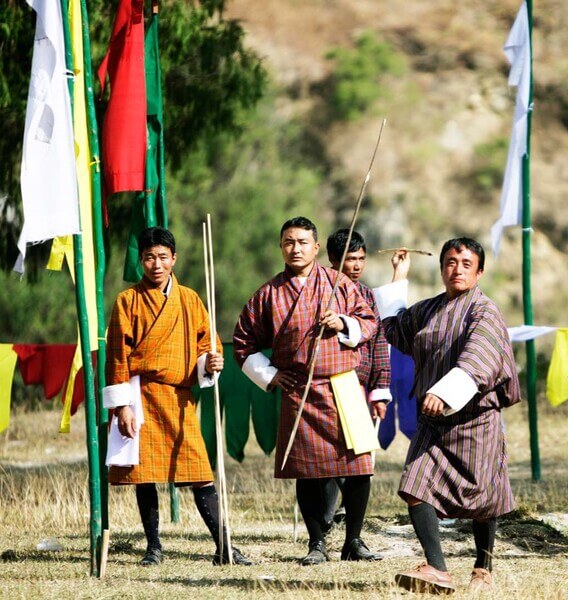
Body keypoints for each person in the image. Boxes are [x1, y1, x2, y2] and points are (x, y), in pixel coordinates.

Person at [232, 217, 381, 565]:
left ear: (316, 247)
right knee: (308, 470)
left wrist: (343, 322)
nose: (295, 248)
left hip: (344, 382)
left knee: (360, 467)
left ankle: (354, 541)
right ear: (281, 247)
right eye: (288, 242)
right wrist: (270, 375)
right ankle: (317, 542)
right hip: (300, 388)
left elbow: (371, 321)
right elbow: (243, 342)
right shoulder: (268, 294)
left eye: (302, 242)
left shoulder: (339, 283)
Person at [374, 238, 519, 594]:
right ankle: (437, 569)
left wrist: (445, 391)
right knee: (414, 485)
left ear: (479, 271)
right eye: (451, 262)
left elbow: (479, 356)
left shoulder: (485, 311)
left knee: (485, 499)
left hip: (475, 418)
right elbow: (394, 327)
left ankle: (483, 567)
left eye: (466, 264)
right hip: (433, 420)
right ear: (441, 268)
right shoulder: (428, 309)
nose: (457, 269)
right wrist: (399, 275)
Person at [103, 227, 251, 566]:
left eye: (163, 257)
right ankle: (153, 546)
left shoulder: (191, 299)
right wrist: (122, 406)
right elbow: (116, 357)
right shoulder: (127, 301)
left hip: (180, 397)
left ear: (174, 259)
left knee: (199, 471)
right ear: (141, 260)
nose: (157, 264)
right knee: (144, 474)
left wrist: (210, 362)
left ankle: (224, 546)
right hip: (141, 395)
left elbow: (206, 345)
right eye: (149, 257)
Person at [321, 228, 391, 527]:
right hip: (323, 384)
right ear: (334, 260)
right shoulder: (319, 291)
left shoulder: (367, 295)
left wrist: (380, 390)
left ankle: (351, 523)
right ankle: (322, 519)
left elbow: (378, 344)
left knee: (358, 458)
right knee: (324, 456)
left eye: (361, 258)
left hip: (355, 387)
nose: (357, 265)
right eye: (351, 259)